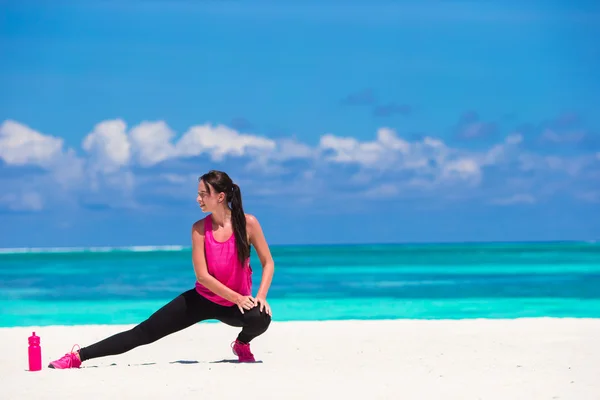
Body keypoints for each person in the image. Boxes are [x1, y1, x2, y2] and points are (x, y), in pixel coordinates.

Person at [48, 170, 274, 369]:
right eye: (198, 194)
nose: (198, 199)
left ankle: (242, 344)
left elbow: (268, 262)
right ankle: (78, 356)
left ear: (221, 196)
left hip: (235, 305)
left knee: (261, 317)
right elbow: (202, 277)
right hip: (202, 300)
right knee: (144, 333)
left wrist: (261, 296)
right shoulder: (198, 229)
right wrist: (237, 297)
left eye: (203, 194)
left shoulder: (248, 223)